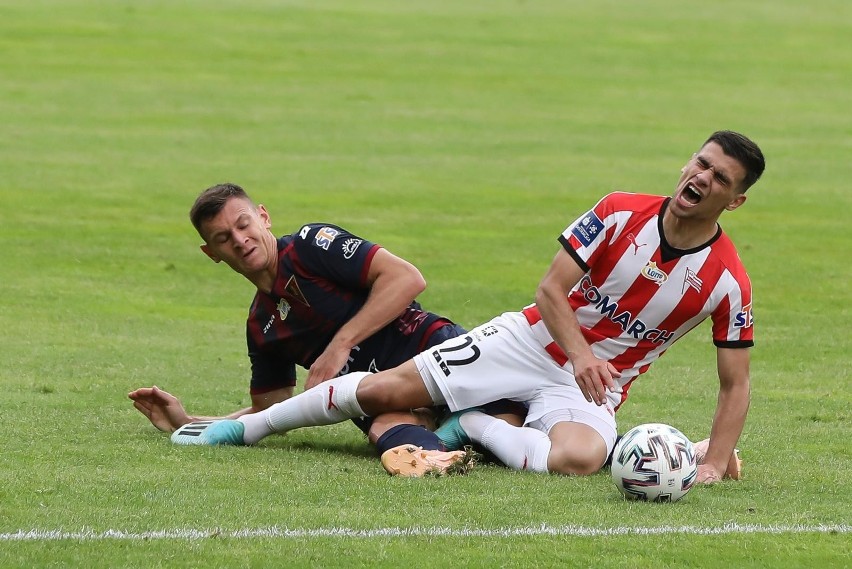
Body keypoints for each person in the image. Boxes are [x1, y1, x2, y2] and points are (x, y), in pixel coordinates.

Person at [171, 131, 764, 484]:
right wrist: (582, 355)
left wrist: (712, 461)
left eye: (718, 178)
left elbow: (733, 385)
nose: (701, 177)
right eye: (700, 163)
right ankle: (237, 434)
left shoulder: (728, 284)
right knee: (378, 395)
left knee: (580, 461)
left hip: (592, 386)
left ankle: (474, 426)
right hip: (529, 342)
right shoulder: (617, 212)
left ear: (733, 201)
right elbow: (550, 292)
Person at [129, 182, 478, 475]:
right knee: (385, 432)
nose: (239, 239)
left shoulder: (309, 245)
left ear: (263, 217)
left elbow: (407, 278)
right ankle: (449, 446)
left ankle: (469, 427)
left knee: (509, 420)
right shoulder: (260, 326)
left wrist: (339, 345)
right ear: (212, 253)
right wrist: (188, 421)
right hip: (380, 401)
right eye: (223, 238)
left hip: (436, 354)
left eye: (243, 224)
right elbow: (271, 411)